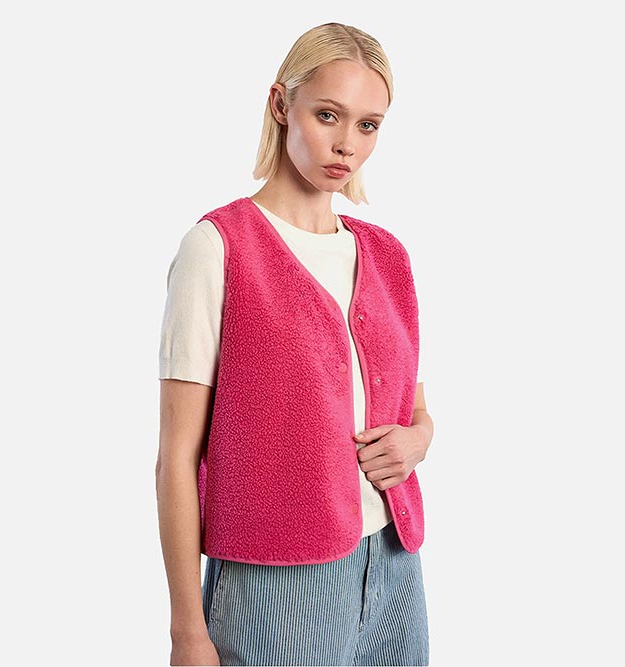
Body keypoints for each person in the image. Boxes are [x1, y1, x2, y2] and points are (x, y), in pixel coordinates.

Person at [156, 22, 433, 666]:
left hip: (394, 563)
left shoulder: (387, 255)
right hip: (273, 580)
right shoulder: (217, 248)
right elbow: (176, 458)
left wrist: (418, 440)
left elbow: (414, 408)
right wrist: (186, 632)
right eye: (327, 115)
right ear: (281, 104)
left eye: (368, 125)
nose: (346, 144)